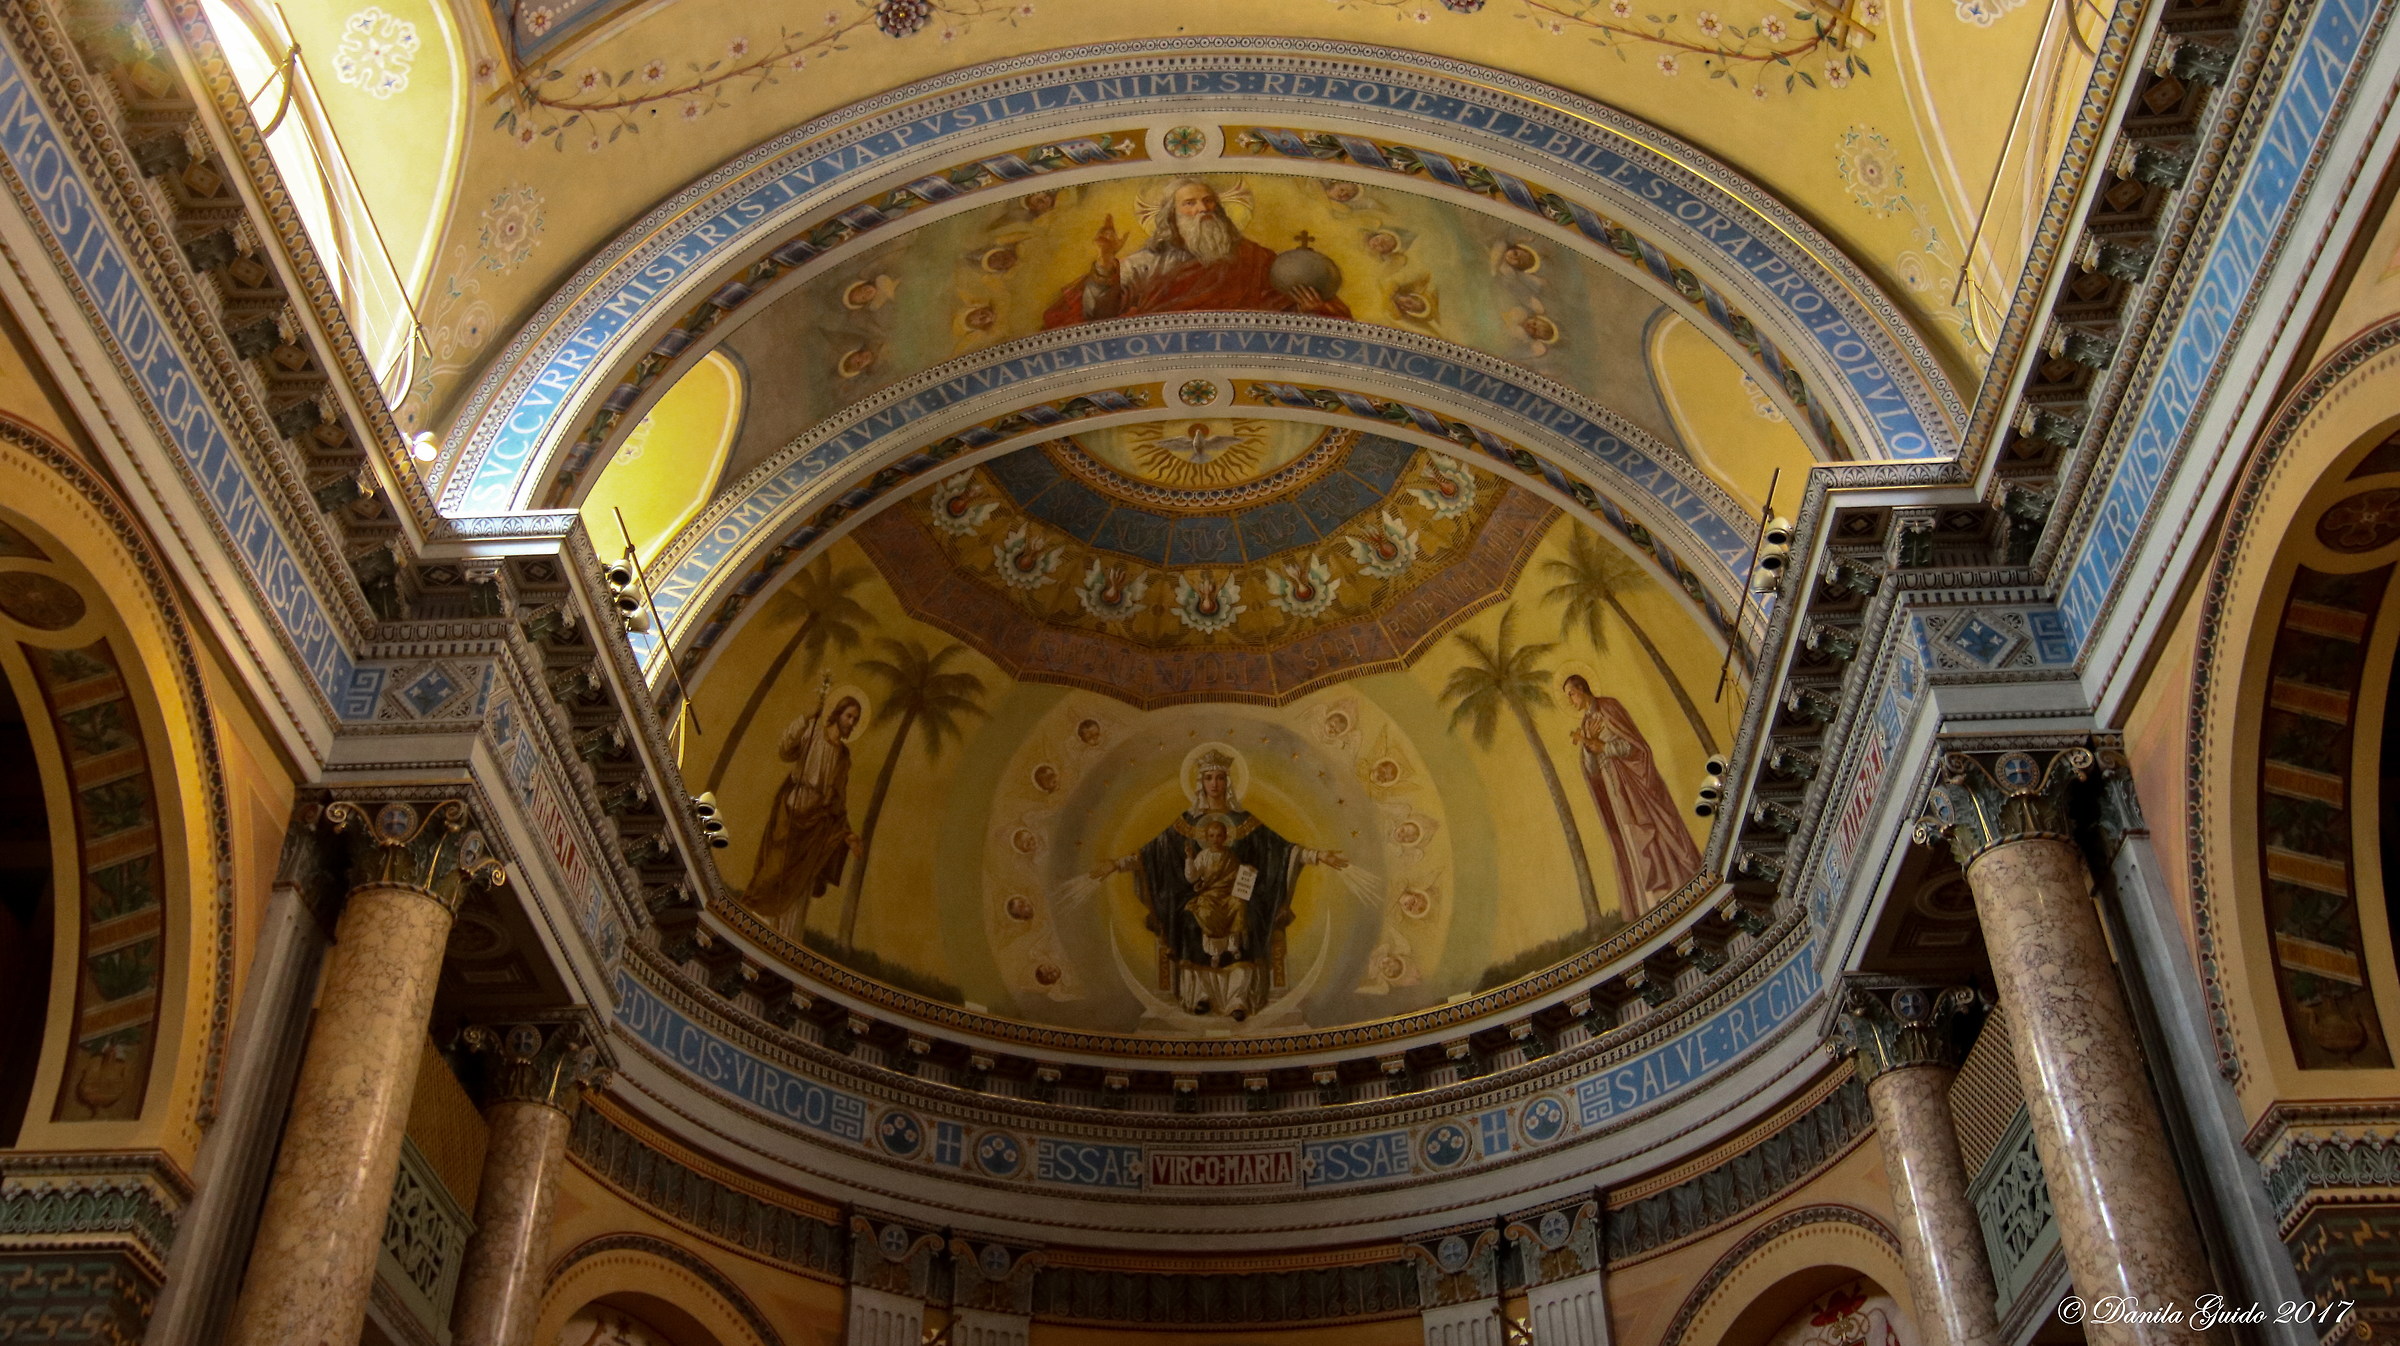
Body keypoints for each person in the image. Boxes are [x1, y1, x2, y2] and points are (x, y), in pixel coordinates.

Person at [1089, 747, 1346, 1019]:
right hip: (1203, 898)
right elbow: (1151, 854)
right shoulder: (1186, 824)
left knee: (1248, 919)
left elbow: (1281, 850)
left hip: (1238, 896)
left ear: (1228, 782)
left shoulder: (1245, 822)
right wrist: (1117, 864)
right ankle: (1199, 994)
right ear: (1201, 783)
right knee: (1188, 921)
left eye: (1220, 778)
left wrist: (1318, 855)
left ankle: (1238, 998)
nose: (1215, 784)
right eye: (1209, 778)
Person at [1042, 179, 1349, 327]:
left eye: (1208, 201)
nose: (1202, 209)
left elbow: (1277, 314)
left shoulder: (1255, 259)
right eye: (1189, 204)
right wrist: (1106, 260)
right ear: (1171, 216)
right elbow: (1099, 316)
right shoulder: (1146, 263)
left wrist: (1307, 312)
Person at [1562, 675, 1703, 920]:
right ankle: (1652, 899)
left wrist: (1603, 747)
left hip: (1635, 782)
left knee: (1650, 828)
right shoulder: (1585, 726)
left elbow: (1636, 747)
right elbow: (1592, 770)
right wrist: (1587, 746)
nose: (1571, 700)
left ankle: (1674, 885)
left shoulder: (1609, 707)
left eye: (1572, 694)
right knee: (1632, 836)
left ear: (1582, 689)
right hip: (1615, 787)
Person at [747, 676, 865, 938]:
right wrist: (804, 719)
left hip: (817, 823)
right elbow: (785, 751)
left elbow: (839, 798)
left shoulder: (844, 757)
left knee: (800, 881)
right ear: (837, 714)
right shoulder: (812, 732)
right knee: (774, 869)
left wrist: (847, 834)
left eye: (856, 719)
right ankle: (758, 922)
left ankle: (787, 936)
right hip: (791, 810)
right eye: (849, 716)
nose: (852, 723)